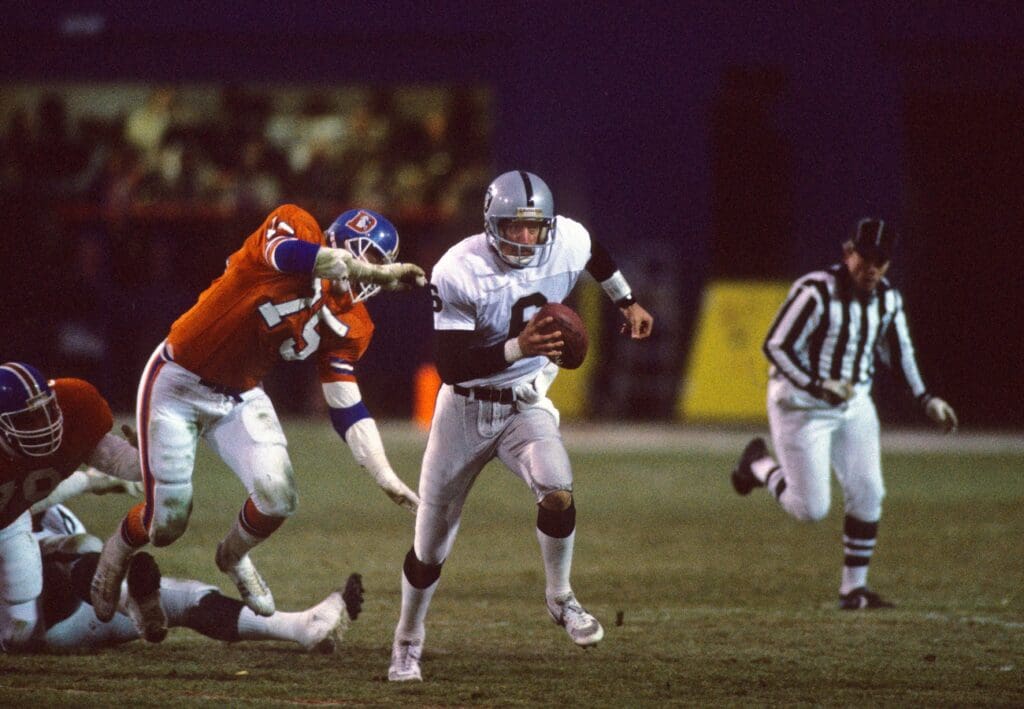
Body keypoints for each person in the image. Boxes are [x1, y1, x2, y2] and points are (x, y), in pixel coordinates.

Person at [90, 205, 427, 623]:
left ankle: (233, 557)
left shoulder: (352, 319)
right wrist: (374, 273)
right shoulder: (296, 226)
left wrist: (384, 473)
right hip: (178, 382)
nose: (372, 271)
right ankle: (115, 552)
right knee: (166, 524)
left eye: (380, 263)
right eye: (368, 256)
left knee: (278, 497)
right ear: (340, 240)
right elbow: (291, 254)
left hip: (242, 394)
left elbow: (345, 402)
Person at [388, 170, 655, 681]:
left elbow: (595, 254)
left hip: (524, 403)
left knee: (557, 488)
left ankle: (561, 596)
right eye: (514, 226)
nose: (526, 237)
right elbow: (451, 366)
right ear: (492, 224)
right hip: (464, 410)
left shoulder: (566, 239)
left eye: (535, 227)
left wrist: (627, 300)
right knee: (430, 546)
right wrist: (519, 347)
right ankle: (407, 639)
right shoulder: (459, 269)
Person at [730, 218, 958, 610]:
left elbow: (901, 352)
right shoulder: (815, 291)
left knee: (869, 491)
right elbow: (776, 346)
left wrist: (926, 399)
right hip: (802, 405)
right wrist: (817, 384)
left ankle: (853, 589)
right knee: (810, 508)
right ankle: (757, 464)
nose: (871, 268)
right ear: (848, 253)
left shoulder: (888, 299)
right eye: (865, 258)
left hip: (854, 404)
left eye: (880, 261)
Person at [2, 503, 363, 652]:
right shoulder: (34, 502)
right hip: (36, 620)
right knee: (71, 552)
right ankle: (133, 603)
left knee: (189, 597)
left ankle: (302, 626)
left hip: (81, 614)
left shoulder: (44, 505)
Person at [0, 361, 149, 650]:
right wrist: (90, 483)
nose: (43, 426)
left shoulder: (74, 406)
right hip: (11, 525)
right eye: (28, 420)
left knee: (20, 633)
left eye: (46, 411)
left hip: (11, 524)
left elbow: (123, 462)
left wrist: (149, 455)